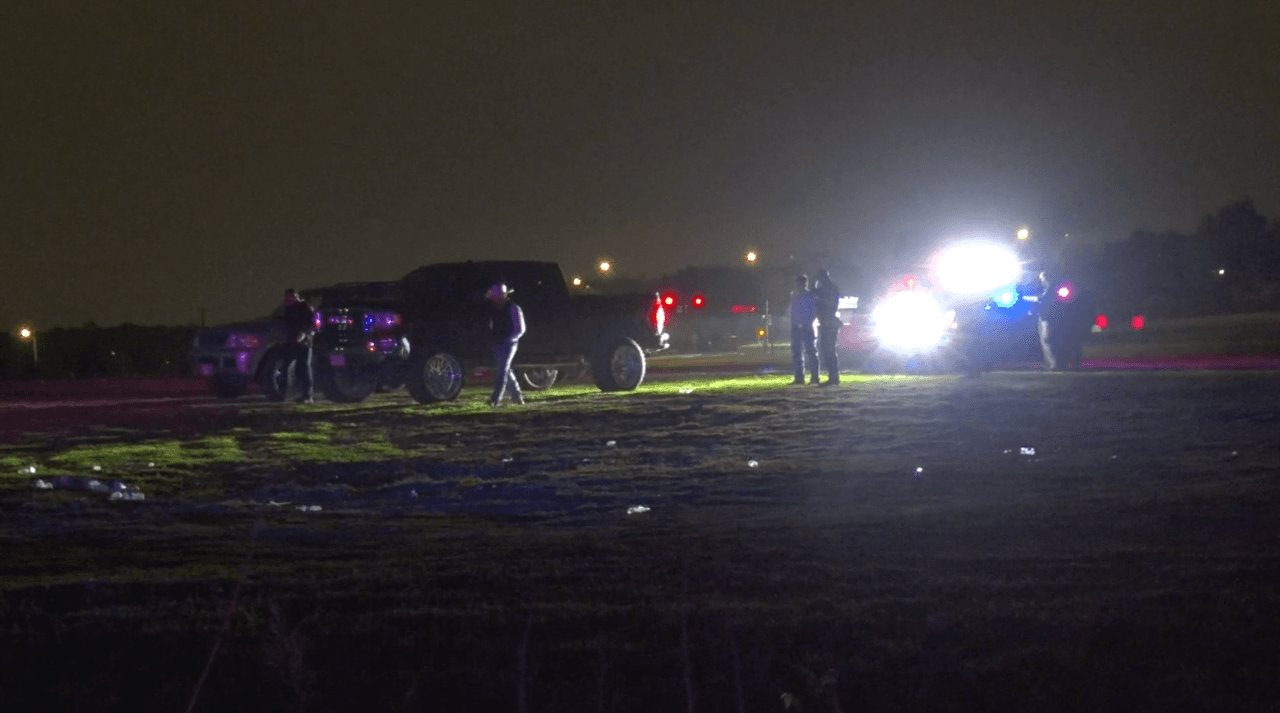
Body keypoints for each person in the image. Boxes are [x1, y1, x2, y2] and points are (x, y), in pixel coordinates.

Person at [487, 282, 526, 407]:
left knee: (502, 370)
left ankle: (495, 399)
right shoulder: (494, 309)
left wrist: (509, 339)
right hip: (499, 343)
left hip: (509, 344)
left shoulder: (513, 308)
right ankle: (517, 397)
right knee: (505, 370)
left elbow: (520, 329)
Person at [280, 288, 316, 403]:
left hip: (304, 343)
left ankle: (307, 396)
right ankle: (288, 393)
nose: (288, 299)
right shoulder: (288, 309)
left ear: (296, 297)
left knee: (303, 368)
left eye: (291, 297)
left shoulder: (305, 308)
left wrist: (303, 334)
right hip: (291, 342)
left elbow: (312, 326)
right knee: (288, 368)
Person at [812, 269, 842, 385]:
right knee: (829, 349)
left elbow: (813, 292)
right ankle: (833, 376)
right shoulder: (832, 287)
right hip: (829, 321)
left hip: (827, 321)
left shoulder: (825, 289)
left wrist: (814, 281)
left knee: (828, 349)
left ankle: (833, 377)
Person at [788, 274, 819, 385]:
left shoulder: (808, 296)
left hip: (806, 327)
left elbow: (813, 312)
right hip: (797, 327)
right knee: (799, 353)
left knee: (809, 352)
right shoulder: (796, 296)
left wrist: (808, 323)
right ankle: (800, 377)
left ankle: (813, 377)